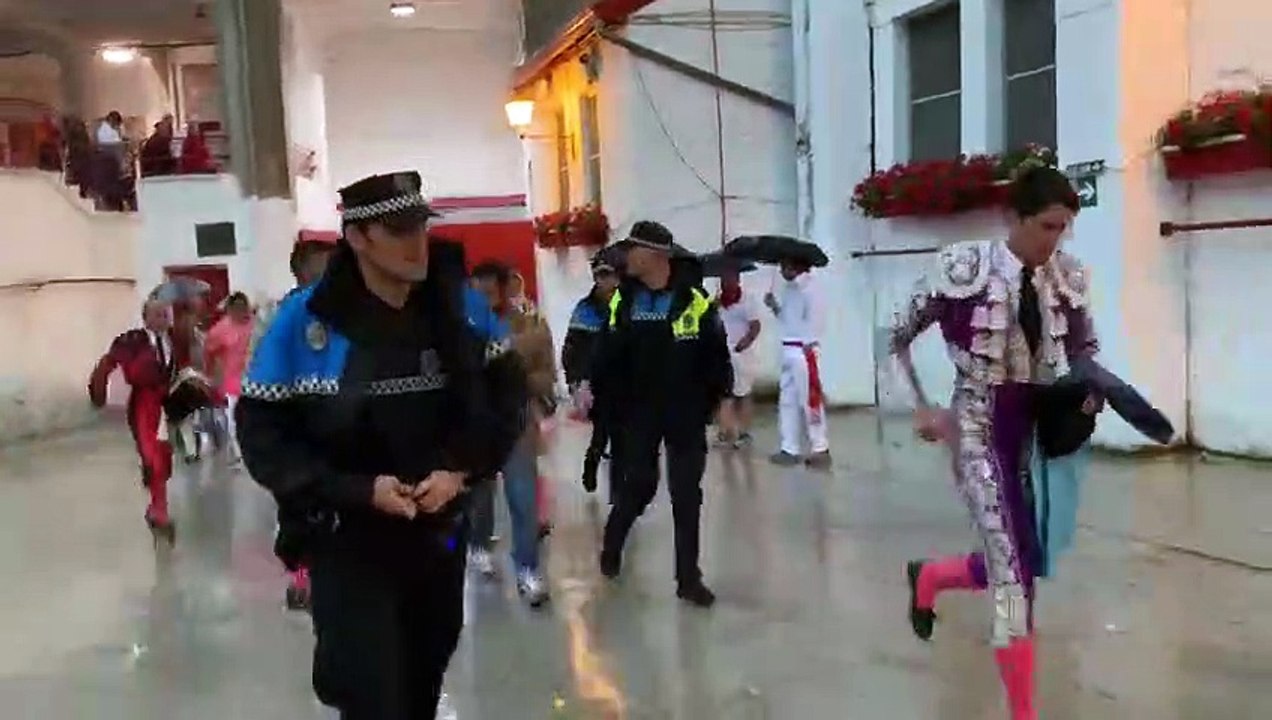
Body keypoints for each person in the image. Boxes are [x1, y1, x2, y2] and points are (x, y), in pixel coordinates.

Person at [236, 170, 526, 717]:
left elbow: (506, 399)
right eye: (397, 231)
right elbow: (263, 436)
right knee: (368, 692)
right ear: (357, 238)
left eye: (420, 226)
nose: (417, 243)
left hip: (439, 537)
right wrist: (355, 489)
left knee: (423, 678)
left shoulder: (460, 309)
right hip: (348, 538)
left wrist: (460, 471)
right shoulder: (303, 322)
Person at [889, 167, 1092, 720]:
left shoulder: (1067, 276)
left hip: (1038, 437)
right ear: (1015, 218)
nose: (1055, 240)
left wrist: (1090, 390)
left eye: (1064, 228)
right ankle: (1022, 714)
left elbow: (1083, 349)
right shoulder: (964, 267)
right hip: (978, 426)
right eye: (1048, 226)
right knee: (1012, 578)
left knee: (1027, 561)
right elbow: (895, 337)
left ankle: (931, 576)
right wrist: (925, 406)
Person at [584, 220, 732, 607]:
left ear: (655, 255)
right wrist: (592, 388)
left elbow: (717, 355)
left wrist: (719, 402)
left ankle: (688, 579)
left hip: (684, 413)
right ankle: (612, 544)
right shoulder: (625, 300)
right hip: (638, 413)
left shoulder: (695, 299)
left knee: (686, 495)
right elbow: (605, 351)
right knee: (640, 486)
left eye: (633, 250)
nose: (626, 257)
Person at [251, 239, 337, 612]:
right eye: (322, 266)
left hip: (338, 425)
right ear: (301, 271)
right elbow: (261, 370)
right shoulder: (280, 317)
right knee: (297, 502)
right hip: (295, 425)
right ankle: (301, 574)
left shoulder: (346, 311)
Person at [467, 260, 557, 607]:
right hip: (478, 428)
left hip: (517, 422)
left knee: (523, 500)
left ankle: (528, 570)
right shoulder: (461, 327)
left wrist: (520, 370)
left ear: (505, 290)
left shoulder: (530, 322)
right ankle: (478, 546)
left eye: (490, 292)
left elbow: (545, 368)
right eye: (477, 293)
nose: (484, 299)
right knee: (480, 500)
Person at [88, 299, 177, 540]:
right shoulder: (132, 340)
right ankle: (159, 511)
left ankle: (157, 506)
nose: (162, 319)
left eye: (165, 314)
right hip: (142, 404)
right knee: (152, 458)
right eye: (157, 314)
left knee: (165, 458)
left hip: (165, 404)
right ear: (146, 317)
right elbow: (107, 364)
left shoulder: (175, 341)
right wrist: (99, 392)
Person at [561, 257, 622, 495]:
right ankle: (591, 463)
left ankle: (619, 491)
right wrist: (574, 381)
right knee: (602, 430)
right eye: (601, 276)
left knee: (621, 436)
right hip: (595, 380)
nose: (605, 281)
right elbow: (571, 348)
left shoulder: (627, 305)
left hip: (623, 379)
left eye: (609, 275)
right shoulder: (585, 309)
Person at [765, 258, 832, 468]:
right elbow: (787, 319)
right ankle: (789, 447)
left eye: (786, 265)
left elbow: (816, 318)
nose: (783, 269)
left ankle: (820, 447)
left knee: (810, 400)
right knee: (787, 401)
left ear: (799, 265)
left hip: (804, 350)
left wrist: (809, 343)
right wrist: (774, 306)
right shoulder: (789, 289)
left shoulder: (811, 288)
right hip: (787, 348)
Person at [715, 265, 762, 448]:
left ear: (737, 280)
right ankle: (726, 431)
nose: (726, 283)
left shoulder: (747, 300)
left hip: (741, 354)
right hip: (722, 353)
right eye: (723, 279)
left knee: (742, 393)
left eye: (730, 278)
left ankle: (744, 432)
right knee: (723, 394)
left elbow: (755, 325)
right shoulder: (719, 302)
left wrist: (746, 341)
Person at [204, 292, 254, 461]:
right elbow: (209, 355)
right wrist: (212, 378)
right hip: (231, 384)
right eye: (238, 308)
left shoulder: (255, 326)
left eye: (244, 307)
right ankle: (239, 454)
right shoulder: (219, 330)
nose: (243, 312)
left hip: (254, 381)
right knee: (234, 421)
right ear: (230, 310)